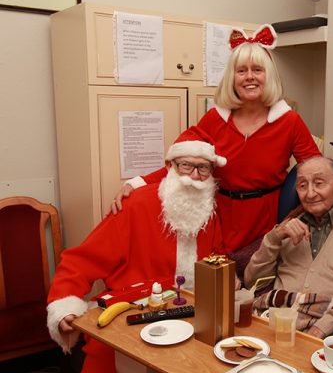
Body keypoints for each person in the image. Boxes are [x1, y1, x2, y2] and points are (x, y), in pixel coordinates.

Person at [111, 24, 321, 253]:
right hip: (218, 217)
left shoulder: (289, 121)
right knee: (215, 281)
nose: (249, 77)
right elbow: (183, 163)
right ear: (232, 78)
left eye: (257, 70)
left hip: (265, 221)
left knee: (252, 283)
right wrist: (136, 183)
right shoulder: (215, 119)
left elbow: (320, 172)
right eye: (241, 71)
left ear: (268, 75)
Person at [47, 131, 226, 373]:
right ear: (169, 167)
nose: (194, 177)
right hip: (126, 321)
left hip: (192, 324)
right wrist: (64, 305)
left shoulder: (208, 212)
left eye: (203, 168)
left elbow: (216, 262)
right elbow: (80, 260)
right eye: (185, 165)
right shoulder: (136, 205)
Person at [244, 156, 333, 339]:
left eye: (319, 183)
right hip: (271, 323)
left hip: (318, 332)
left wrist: (328, 323)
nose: (310, 193)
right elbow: (251, 281)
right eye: (302, 185)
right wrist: (274, 238)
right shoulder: (290, 225)